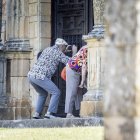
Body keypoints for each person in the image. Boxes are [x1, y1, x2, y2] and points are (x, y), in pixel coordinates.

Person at [28, 38, 70, 119]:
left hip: (31, 75)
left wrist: (63, 53)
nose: (65, 48)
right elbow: (69, 61)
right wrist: (74, 53)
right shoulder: (58, 53)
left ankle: (37, 114)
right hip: (40, 76)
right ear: (61, 46)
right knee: (56, 92)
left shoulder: (47, 49)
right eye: (65, 47)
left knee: (43, 94)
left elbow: (53, 57)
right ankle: (50, 113)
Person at [65, 45, 88, 118]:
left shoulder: (86, 47)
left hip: (77, 69)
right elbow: (84, 66)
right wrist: (82, 82)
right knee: (72, 91)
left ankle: (80, 112)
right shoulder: (88, 49)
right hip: (73, 69)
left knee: (78, 91)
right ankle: (69, 113)